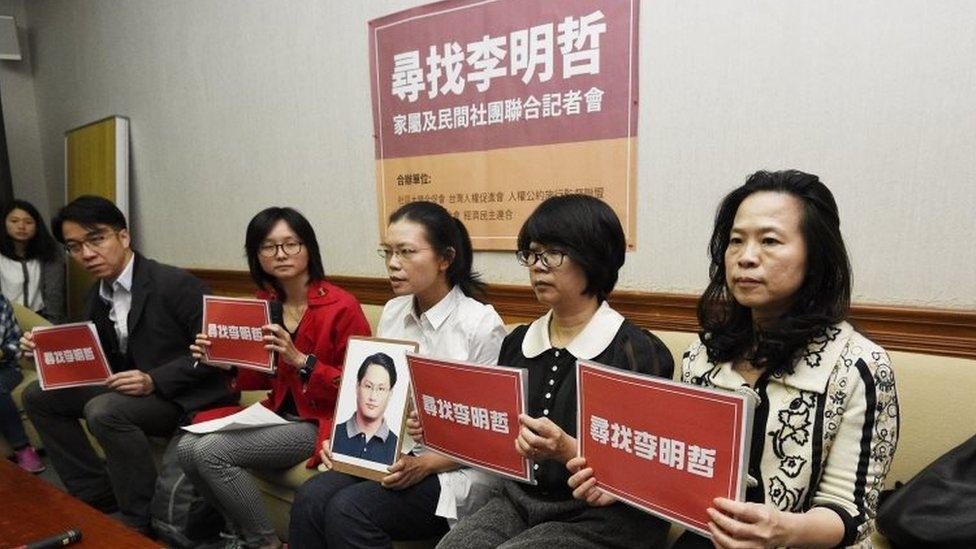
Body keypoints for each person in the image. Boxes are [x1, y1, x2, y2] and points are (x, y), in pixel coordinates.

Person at [568, 170, 900, 548]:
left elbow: (851, 513)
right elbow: (683, 468)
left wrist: (782, 530)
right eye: (736, 241)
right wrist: (628, 484)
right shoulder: (702, 358)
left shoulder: (859, 366)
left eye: (770, 241)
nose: (746, 258)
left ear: (816, 255)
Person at [437, 194, 674, 549]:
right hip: (520, 500)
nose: (537, 266)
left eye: (553, 253)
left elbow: (652, 466)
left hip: (606, 514)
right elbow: (501, 435)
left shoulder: (636, 351)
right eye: (532, 253)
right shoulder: (517, 342)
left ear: (594, 256)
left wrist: (568, 450)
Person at [290, 201, 507, 548]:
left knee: (349, 510)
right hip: (393, 454)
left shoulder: (480, 324)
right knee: (312, 496)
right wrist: (346, 444)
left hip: (454, 469)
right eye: (388, 252)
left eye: (406, 252)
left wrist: (426, 465)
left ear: (445, 258)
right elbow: (374, 394)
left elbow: (494, 432)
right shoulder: (393, 311)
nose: (393, 264)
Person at [17, 195, 237, 532]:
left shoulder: (175, 284)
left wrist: (153, 379)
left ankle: (140, 519)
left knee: (104, 410)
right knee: (37, 395)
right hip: (135, 392)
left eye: (96, 239)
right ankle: (96, 495)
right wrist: (43, 355)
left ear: (123, 237)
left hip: (185, 398)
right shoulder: (97, 295)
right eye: (75, 247)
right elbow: (95, 360)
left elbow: (220, 355)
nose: (87, 254)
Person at [179, 206, 371, 549]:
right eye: (269, 247)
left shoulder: (342, 306)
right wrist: (225, 362)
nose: (281, 254)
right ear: (257, 255)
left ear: (309, 248)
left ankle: (265, 543)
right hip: (278, 412)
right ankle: (235, 532)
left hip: (321, 420)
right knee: (187, 448)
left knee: (210, 451)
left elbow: (362, 387)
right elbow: (268, 376)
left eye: (291, 244)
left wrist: (301, 360)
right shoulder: (265, 303)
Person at [1, 199, 66, 323]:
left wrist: (51, 326)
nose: (21, 226)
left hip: (40, 319)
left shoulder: (50, 253)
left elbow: (54, 295)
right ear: (4, 223)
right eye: (14, 221)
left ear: (37, 226)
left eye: (28, 222)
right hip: (5, 320)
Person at [0, 293, 45, 472]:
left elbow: (15, 342)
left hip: (5, 368)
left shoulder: (1, 302)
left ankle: (22, 448)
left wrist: (2, 352)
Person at [331, 352, 400, 465]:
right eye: (368, 386)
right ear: (357, 387)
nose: (373, 397)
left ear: (390, 393)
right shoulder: (335, 435)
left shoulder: (395, 446)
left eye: (381, 389)